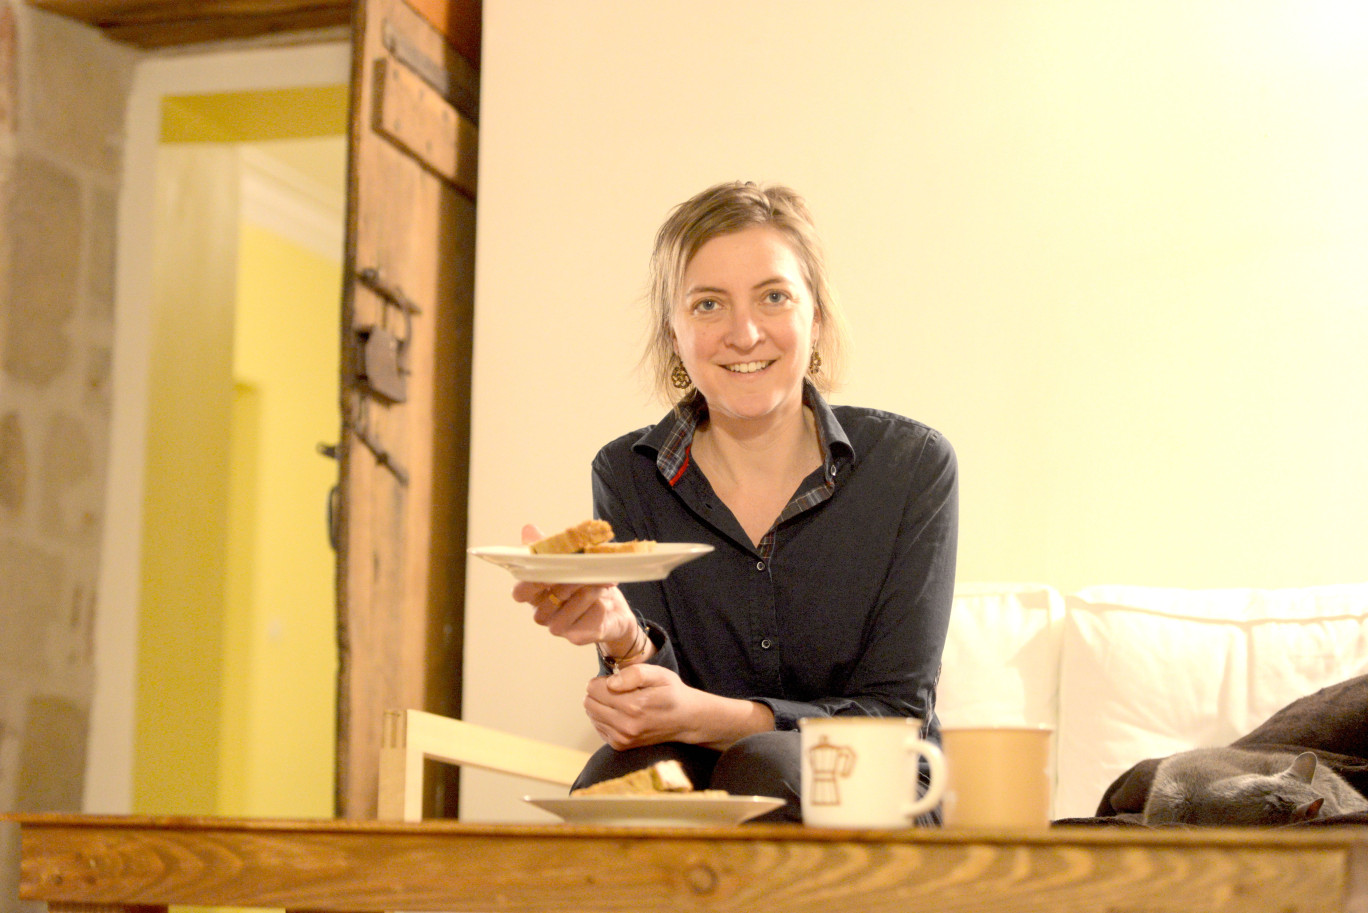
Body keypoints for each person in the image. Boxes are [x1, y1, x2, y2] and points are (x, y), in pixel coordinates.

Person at [512, 181, 958, 822]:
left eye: (774, 297)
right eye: (708, 305)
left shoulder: (912, 467)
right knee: (620, 780)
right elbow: (654, 700)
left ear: (817, 317)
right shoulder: (627, 472)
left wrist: (722, 719)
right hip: (701, 762)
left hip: (876, 778)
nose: (744, 334)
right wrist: (621, 638)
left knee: (762, 766)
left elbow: (892, 716)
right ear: (674, 333)